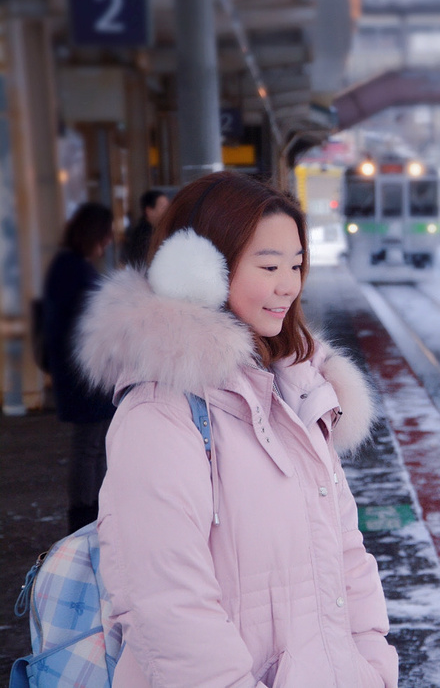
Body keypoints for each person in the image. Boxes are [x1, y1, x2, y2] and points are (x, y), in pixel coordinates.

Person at [76, 172, 398, 687]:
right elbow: (166, 606)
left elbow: (346, 557)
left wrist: (373, 668)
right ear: (200, 270)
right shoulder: (160, 415)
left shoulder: (297, 393)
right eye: (268, 266)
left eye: (295, 265)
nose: (288, 284)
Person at [42, 202, 116, 533]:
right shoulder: (75, 269)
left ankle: (90, 506)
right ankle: (85, 511)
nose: (111, 239)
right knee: (90, 444)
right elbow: (84, 323)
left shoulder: (66, 266)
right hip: (84, 373)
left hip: (77, 370)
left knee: (94, 442)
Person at [121, 189, 169, 267]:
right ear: (149, 211)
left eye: (168, 206)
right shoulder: (143, 236)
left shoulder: (156, 231)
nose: (167, 211)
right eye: (163, 207)